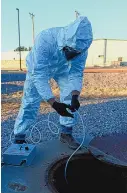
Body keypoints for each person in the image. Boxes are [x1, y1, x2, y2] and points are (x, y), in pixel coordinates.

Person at [13, 15, 93, 149]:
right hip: (38, 68)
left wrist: (75, 95)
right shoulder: (45, 39)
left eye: (76, 53)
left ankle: (66, 133)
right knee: (30, 100)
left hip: (62, 68)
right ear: (65, 42)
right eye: (70, 51)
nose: (72, 55)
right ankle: (19, 137)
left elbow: (76, 73)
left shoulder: (82, 49)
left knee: (69, 93)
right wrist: (54, 104)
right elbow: (39, 75)